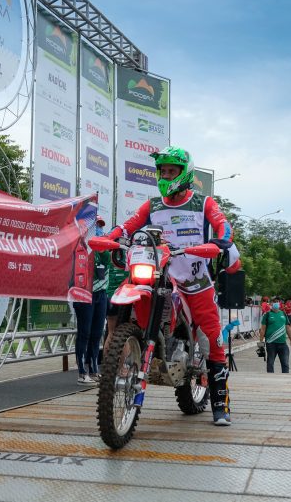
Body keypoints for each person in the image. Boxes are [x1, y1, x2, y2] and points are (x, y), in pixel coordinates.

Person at [107, 146, 241, 425]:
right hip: (161, 278)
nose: (166, 175)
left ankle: (220, 403)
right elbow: (128, 226)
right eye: (162, 170)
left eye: (171, 170)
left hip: (195, 282)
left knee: (214, 339)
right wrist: (113, 236)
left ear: (185, 172)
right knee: (127, 296)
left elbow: (222, 225)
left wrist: (222, 240)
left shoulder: (203, 203)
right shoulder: (153, 206)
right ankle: (123, 363)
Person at [73, 216, 110, 385]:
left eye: (101, 228)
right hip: (84, 295)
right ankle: (81, 372)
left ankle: (94, 368)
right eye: (96, 227)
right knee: (84, 333)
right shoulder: (80, 248)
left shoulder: (106, 250)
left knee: (97, 333)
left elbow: (111, 262)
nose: (99, 231)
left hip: (101, 294)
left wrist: (102, 248)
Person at [259, 298, 291, 373]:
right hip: (271, 343)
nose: (276, 303)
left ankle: (285, 380)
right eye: (274, 302)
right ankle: (270, 380)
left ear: (279, 303)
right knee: (270, 363)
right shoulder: (267, 315)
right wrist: (261, 343)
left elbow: (287, 327)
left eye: (277, 302)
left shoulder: (283, 314)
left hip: (283, 343)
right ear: (271, 303)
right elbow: (262, 329)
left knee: (285, 364)